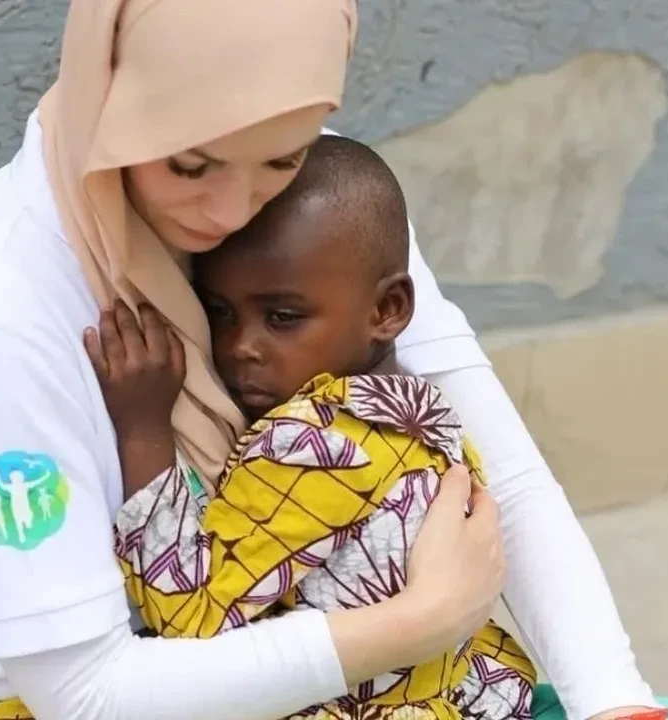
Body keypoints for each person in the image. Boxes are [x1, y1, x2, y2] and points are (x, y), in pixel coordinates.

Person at [0, 0, 668, 718]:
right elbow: (84, 693)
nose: (232, 210)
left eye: (278, 158)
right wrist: (416, 622)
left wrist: (613, 701)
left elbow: (501, 472)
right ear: (110, 95)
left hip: (310, 669)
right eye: (189, 163)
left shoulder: (316, 208)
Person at [95, 135, 538, 719]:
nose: (240, 347)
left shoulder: (313, 445)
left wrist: (143, 429)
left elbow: (190, 616)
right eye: (219, 313)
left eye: (283, 317)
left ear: (389, 310)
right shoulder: (421, 414)